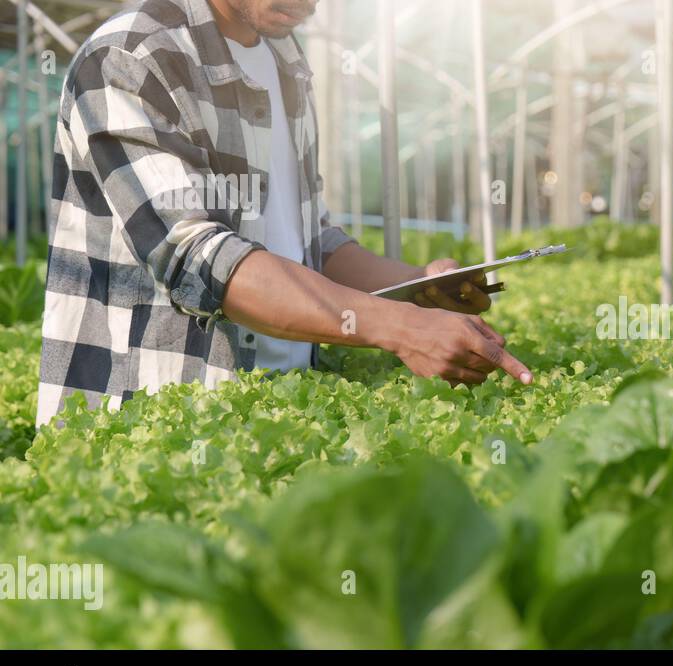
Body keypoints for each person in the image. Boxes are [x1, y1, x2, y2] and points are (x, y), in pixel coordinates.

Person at [37, 0, 530, 427]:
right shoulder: (130, 57)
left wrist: (417, 288)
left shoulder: (284, 55)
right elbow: (198, 259)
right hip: (153, 416)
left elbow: (309, 238)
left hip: (277, 410)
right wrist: (399, 328)